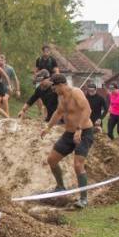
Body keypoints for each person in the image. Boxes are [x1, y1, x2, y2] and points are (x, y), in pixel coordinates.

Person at [41, 74, 94, 209]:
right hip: (69, 134)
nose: (53, 90)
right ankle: (60, 187)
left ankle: (83, 199)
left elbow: (87, 110)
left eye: (53, 87)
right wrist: (48, 128)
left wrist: (79, 129)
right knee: (52, 160)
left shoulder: (76, 92)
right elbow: (58, 113)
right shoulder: (62, 97)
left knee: (77, 165)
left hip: (84, 132)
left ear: (60, 85)